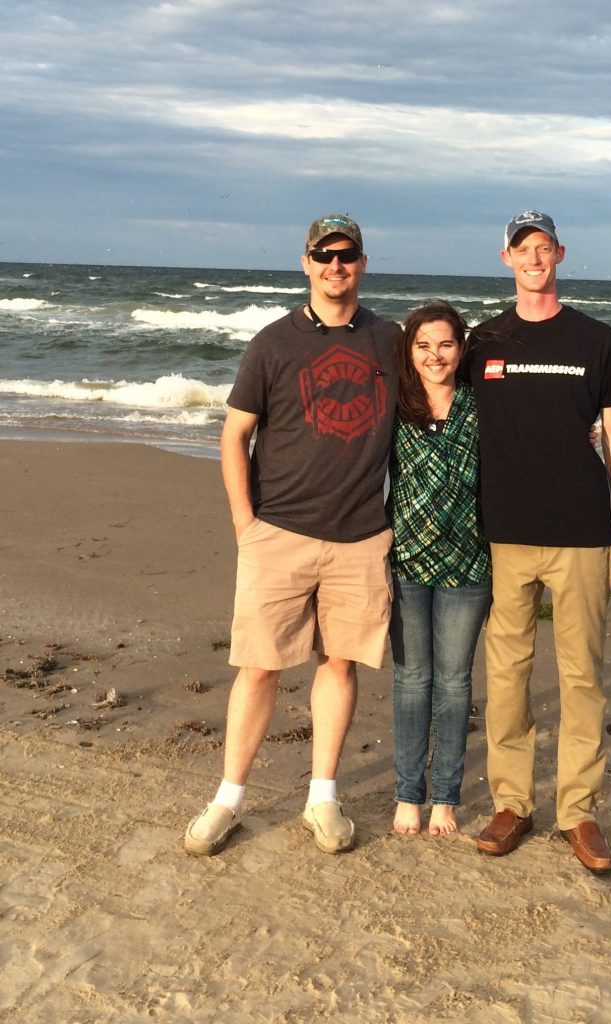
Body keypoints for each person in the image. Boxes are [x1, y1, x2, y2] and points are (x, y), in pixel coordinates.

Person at [184, 213, 400, 857]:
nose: (336, 265)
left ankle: (323, 798)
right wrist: (244, 523)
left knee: (339, 663)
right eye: (324, 255)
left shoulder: (390, 341)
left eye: (347, 255)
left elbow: (447, 377)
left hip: (362, 535)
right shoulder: (273, 344)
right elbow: (234, 435)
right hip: (277, 532)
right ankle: (229, 799)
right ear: (305, 262)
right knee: (258, 669)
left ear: (363, 263)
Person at [466, 209, 611, 872]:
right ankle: (512, 804)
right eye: (521, 249)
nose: (533, 258)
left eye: (543, 247)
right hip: (503, 532)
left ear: (560, 253)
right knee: (506, 674)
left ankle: (579, 814)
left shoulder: (595, 339)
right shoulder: (483, 340)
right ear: (505, 258)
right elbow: (444, 415)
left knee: (582, 674)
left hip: (583, 531)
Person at [386, 301, 492, 838]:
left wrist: (583, 437)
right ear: (410, 350)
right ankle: (409, 793)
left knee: (453, 684)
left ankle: (446, 797)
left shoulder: (482, 405)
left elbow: (535, 439)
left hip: (469, 565)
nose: (435, 355)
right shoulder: (394, 405)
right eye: (423, 345)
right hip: (405, 561)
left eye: (446, 344)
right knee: (411, 681)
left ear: (462, 348)